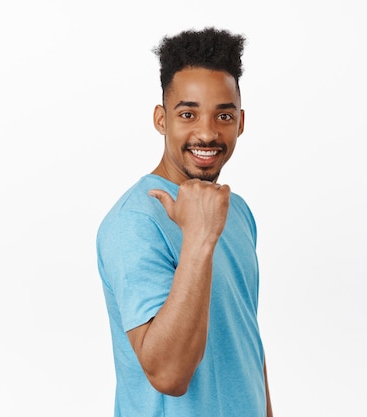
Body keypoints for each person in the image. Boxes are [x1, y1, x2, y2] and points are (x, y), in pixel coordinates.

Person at [96, 27, 273, 417]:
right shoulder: (135, 221)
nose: (207, 132)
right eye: (188, 113)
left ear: (240, 122)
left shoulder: (236, 210)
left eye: (223, 115)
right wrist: (197, 240)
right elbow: (169, 376)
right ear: (161, 119)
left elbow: (248, 344)